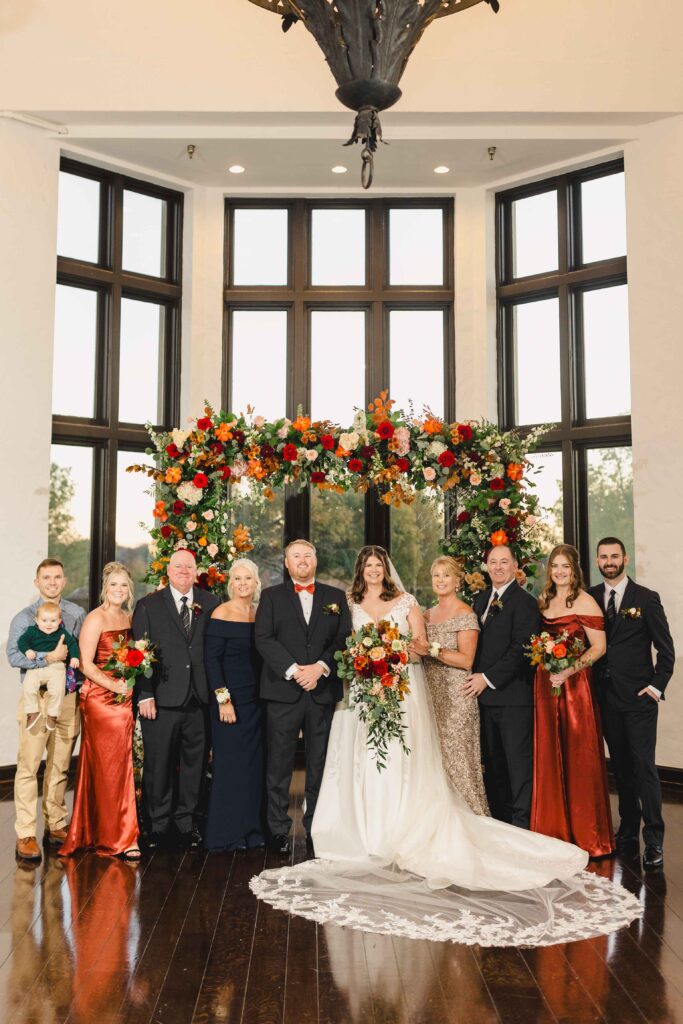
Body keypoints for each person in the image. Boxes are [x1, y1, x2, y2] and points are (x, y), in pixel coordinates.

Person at [251, 546, 641, 946]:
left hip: (399, 689)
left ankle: (397, 832)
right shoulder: (346, 602)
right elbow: (340, 645)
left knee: (402, 763)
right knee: (357, 762)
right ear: (359, 571)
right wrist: (363, 661)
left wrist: (389, 659)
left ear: (386, 570)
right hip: (362, 696)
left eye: (378, 565)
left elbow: (419, 647)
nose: (372, 570)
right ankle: (359, 832)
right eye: (367, 565)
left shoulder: (407, 603)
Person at [254, 539, 351, 856]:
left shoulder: (335, 596)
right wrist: (296, 670)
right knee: (278, 765)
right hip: (283, 692)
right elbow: (264, 639)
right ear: (286, 562)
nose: (302, 560)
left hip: (321, 691)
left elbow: (343, 637)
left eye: (308, 555)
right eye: (296, 556)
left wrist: (321, 668)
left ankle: (315, 829)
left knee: (319, 764)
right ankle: (278, 831)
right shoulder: (270, 596)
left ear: (316, 560)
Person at [589, 537, 675, 871]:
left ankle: (653, 839)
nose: (609, 561)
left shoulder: (646, 599)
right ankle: (627, 832)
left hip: (639, 700)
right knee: (621, 769)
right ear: (597, 561)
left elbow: (666, 652)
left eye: (614, 556)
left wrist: (655, 687)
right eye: (603, 557)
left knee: (644, 769)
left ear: (625, 559)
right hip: (605, 698)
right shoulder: (592, 597)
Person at [132, 548, 219, 849]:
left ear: (196, 572)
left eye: (189, 566)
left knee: (194, 766)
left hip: (199, 698)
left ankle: (186, 823)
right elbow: (139, 653)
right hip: (161, 699)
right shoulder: (148, 605)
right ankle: (157, 826)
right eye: (178, 566)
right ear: (167, 571)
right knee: (158, 765)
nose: (184, 571)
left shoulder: (211, 602)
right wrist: (145, 693)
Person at [530, 544, 613, 858]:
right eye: (555, 566)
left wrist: (567, 671)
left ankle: (588, 836)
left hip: (575, 688)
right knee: (549, 755)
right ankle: (553, 831)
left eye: (565, 566)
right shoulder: (544, 600)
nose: (559, 572)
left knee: (579, 755)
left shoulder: (585, 600)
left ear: (575, 570)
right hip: (545, 686)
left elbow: (598, 648)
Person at [60, 562, 140, 859]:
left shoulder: (128, 616)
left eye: (123, 585)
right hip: (101, 700)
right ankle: (118, 838)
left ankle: (112, 830)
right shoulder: (95, 618)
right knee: (110, 768)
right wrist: (113, 684)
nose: (118, 590)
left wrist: (129, 680)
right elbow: (86, 663)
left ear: (128, 590)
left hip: (124, 697)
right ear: (105, 588)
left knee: (122, 767)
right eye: (113, 585)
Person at [6, 558, 84, 862]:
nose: (52, 582)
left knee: (61, 764)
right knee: (28, 765)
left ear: (64, 581)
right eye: (46, 578)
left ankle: (56, 825)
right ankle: (26, 832)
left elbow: (82, 651)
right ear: (37, 583)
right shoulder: (24, 618)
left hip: (66, 697)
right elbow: (14, 655)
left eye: (57, 577)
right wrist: (48, 657)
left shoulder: (76, 614)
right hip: (36, 700)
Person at [465, 545, 542, 829]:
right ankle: (500, 824)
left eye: (504, 562)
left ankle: (522, 826)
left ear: (514, 566)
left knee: (517, 766)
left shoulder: (525, 603)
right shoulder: (480, 599)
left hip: (513, 699)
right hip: (485, 701)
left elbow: (521, 650)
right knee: (494, 765)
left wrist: (486, 678)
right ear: (486, 566)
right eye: (492, 562)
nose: (498, 567)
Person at [411, 555, 489, 815]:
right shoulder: (426, 614)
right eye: (436, 575)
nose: (441, 580)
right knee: (434, 762)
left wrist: (432, 650)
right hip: (429, 696)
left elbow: (466, 660)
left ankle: (471, 819)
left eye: (446, 575)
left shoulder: (465, 613)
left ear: (457, 581)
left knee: (459, 763)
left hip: (457, 698)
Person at [204, 558, 265, 852]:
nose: (243, 583)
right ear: (231, 583)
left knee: (253, 768)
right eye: (238, 579)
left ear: (256, 583)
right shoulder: (221, 613)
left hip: (257, 702)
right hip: (230, 702)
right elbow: (211, 661)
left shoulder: (259, 613)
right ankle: (225, 834)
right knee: (230, 767)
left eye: (248, 578)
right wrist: (223, 700)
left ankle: (252, 831)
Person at [17, 602, 80, 733]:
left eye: (53, 620)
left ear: (59, 621)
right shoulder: (31, 631)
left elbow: (72, 643)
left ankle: (53, 714)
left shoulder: (61, 633)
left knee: (58, 690)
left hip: (56, 667)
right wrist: (27, 650)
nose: (48, 624)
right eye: (44, 620)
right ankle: (32, 712)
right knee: (28, 687)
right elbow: (21, 641)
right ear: (36, 620)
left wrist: (74, 657)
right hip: (36, 667)